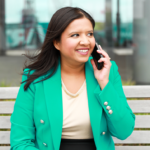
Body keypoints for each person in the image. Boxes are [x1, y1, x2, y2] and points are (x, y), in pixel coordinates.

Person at [10, 7, 135, 150]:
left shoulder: (107, 70)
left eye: (89, 34)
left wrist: (104, 83)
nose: (85, 41)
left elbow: (124, 131)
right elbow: (20, 143)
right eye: (75, 35)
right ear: (56, 42)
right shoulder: (35, 77)